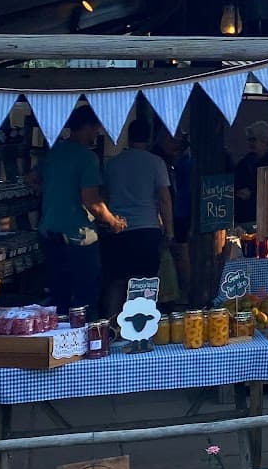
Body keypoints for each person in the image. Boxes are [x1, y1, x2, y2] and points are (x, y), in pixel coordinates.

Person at [39, 108, 127, 317]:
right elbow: (92, 203)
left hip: (49, 233)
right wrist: (114, 222)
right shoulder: (87, 159)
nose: (97, 134)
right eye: (96, 129)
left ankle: (58, 345)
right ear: (86, 127)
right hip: (78, 237)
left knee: (59, 297)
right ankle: (89, 343)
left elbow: (32, 178)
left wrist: (55, 193)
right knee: (86, 298)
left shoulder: (53, 153)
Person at [100, 118, 172, 315]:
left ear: (128, 138)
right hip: (147, 228)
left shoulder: (112, 165)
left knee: (116, 281)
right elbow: (164, 199)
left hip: (118, 229)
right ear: (148, 139)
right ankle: (144, 328)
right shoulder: (156, 162)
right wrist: (169, 231)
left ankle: (111, 326)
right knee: (146, 282)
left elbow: (103, 197)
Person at [159, 133, 196, 305]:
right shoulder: (174, 160)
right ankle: (177, 292)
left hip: (181, 209)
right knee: (179, 253)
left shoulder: (185, 161)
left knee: (181, 253)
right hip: (178, 209)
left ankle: (184, 292)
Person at [234, 120, 268, 225]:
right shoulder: (243, 164)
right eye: (249, 140)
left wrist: (253, 195)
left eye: (254, 140)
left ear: (266, 142)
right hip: (244, 217)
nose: (251, 143)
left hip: (266, 219)